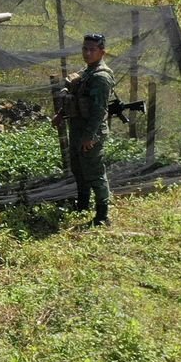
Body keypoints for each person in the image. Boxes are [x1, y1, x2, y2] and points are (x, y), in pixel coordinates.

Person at [63, 32, 115, 226]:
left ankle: (103, 216)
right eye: (85, 49)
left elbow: (99, 112)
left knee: (94, 173)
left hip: (90, 133)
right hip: (78, 129)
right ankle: (82, 205)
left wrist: (89, 137)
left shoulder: (100, 77)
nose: (87, 53)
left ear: (102, 52)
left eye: (92, 50)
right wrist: (61, 114)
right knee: (79, 170)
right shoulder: (87, 71)